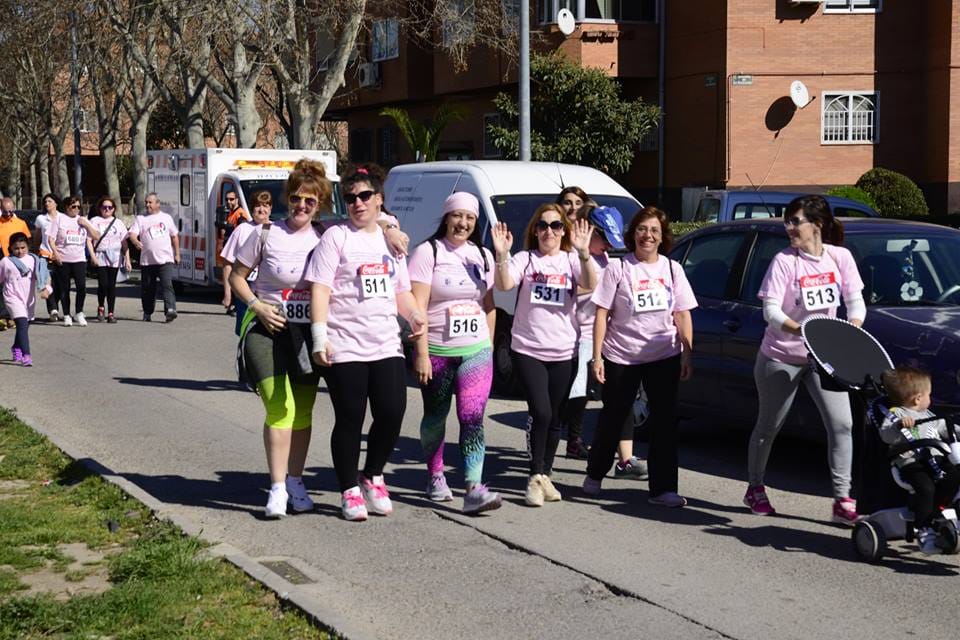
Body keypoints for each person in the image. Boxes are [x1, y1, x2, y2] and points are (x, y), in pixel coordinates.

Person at [306, 165, 426, 522]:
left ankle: (372, 474)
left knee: (392, 412)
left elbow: (401, 290)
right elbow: (320, 289)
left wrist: (414, 316)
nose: (357, 203)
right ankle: (348, 489)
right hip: (345, 345)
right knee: (350, 419)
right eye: (350, 198)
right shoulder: (336, 237)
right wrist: (320, 336)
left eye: (364, 196)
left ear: (379, 200)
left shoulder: (391, 241)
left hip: (386, 343)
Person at [743, 194, 866, 524]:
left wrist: (851, 329)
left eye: (795, 221)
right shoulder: (784, 261)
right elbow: (770, 311)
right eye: (787, 221)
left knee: (842, 425)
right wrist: (804, 331)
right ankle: (755, 487)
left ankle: (842, 499)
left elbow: (855, 303)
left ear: (818, 224)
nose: (789, 228)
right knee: (769, 426)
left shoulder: (840, 257)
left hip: (823, 359)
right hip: (780, 355)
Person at [229, 161, 329, 519]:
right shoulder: (265, 234)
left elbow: (370, 227)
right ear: (288, 199)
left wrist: (392, 232)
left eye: (310, 201)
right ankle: (277, 487)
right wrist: (257, 306)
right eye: (297, 198)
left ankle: (296, 481)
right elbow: (237, 277)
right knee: (280, 406)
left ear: (319, 204)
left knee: (303, 410)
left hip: (306, 334)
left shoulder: (326, 237)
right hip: (265, 331)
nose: (302, 205)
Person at [582, 207, 696, 507]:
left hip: (664, 354)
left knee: (665, 422)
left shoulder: (672, 269)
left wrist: (687, 354)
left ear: (662, 236)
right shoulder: (619, 268)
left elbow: (682, 313)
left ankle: (663, 489)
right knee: (614, 416)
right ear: (633, 234)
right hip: (622, 354)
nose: (648, 235)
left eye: (654, 230)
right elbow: (602, 313)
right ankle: (595, 472)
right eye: (642, 229)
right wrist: (597, 357)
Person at [492, 203, 596, 507]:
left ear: (564, 231)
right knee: (541, 412)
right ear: (535, 230)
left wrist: (584, 253)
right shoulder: (525, 259)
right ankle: (534, 477)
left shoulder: (571, 260)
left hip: (564, 350)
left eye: (555, 225)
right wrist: (502, 255)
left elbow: (590, 283)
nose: (549, 231)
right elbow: (504, 284)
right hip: (528, 349)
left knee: (555, 418)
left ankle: (545, 475)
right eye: (543, 225)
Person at [409, 192, 501, 514]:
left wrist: (488, 346)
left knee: (472, 417)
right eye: (457, 216)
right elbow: (417, 307)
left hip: (476, 350)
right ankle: (435, 475)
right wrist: (421, 353)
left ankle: (474, 488)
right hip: (437, 349)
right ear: (446, 218)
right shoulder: (428, 252)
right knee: (436, 416)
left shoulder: (483, 256)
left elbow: (489, 306)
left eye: (470, 218)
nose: (463, 223)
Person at [879, 366, 960, 554]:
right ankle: (924, 529)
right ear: (917, 398)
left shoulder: (929, 415)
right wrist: (898, 425)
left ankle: (938, 511)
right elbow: (886, 435)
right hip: (912, 463)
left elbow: (948, 428)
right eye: (929, 394)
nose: (930, 398)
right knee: (926, 488)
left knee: (955, 475)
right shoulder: (897, 414)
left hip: (936, 460)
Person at [221, 190, 272, 335]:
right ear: (251, 208)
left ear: (270, 208)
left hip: (269, 289)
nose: (261, 210)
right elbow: (228, 263)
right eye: (257, 206)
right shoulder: (242, 230)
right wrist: (228, 293)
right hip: (246, 287)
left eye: (265, 206)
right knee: (245, 331)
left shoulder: (277, 230)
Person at [47, 195, 101, 327]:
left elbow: (96, 236)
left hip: (79, 259)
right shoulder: (59, 219)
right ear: (66, 207)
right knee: (64, 288)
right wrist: (56, 254)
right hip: (63, 259)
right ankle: (66, 314)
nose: (76, 209)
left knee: (81, 287)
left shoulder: (82, 220)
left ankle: (79, 312)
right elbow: (51, 239)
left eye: (78, 207)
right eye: (73, 206)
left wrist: (86, 225)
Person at [0, 233, 51, 366]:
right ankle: (26, 355)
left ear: (28, 246)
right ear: (10, 248)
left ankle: (16, 347)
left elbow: (45, 276)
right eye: (16, 248)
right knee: (22, 324)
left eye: (23, 248)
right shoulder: (6, 262)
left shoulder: (34, 260)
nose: (20, 251)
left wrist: (46, 289)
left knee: (23, 327)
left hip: (28, 299)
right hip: (12, 297)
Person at [128, 193, 180, 323]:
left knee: (167, 285)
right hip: (147, 261)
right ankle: (147, 311)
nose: (147, 205)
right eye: (146, 202)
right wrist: (135, 241)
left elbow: (174, 236)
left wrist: (177, 254)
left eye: (150, 202)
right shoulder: (141, 219)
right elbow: (132, 234)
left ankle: (170, 310)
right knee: (148, 289)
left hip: (165, 259)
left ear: (157, 204)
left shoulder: (166, 218)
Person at [87, 196, 131, 323]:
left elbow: (124, 243)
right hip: (100, 255)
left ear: (114, 209)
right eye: (104, 207)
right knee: (103, 284)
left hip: (115, 256)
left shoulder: (118, 223)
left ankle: (111, 312)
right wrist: (93, 256)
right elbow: (88, 240)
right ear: (100, 208)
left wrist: (127, 259)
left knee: (111, 285)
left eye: (110, 207)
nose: (107, 209)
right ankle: (101, 307)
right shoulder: (94, 221)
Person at [0, 198, 31, 330]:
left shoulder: (20, 223)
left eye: (10, 211)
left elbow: (27, 241)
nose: (8, 214)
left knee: (16, 289)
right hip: (3, 258)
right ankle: (3, 316)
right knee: (2, 288)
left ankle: (14, 316)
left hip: (18, 260)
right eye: (5, 212)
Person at [33, 194, 61, 321]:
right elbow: (37, 237)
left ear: (56, 203)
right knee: (47, 282)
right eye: (45, 201)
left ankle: (56, 306)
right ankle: (53, 310)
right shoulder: (41, 219)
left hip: (60, 255)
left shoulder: (62, 218)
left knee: (59, 284)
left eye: (50, 201)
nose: (47, 203)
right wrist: (35, 252)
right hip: (45, 254)